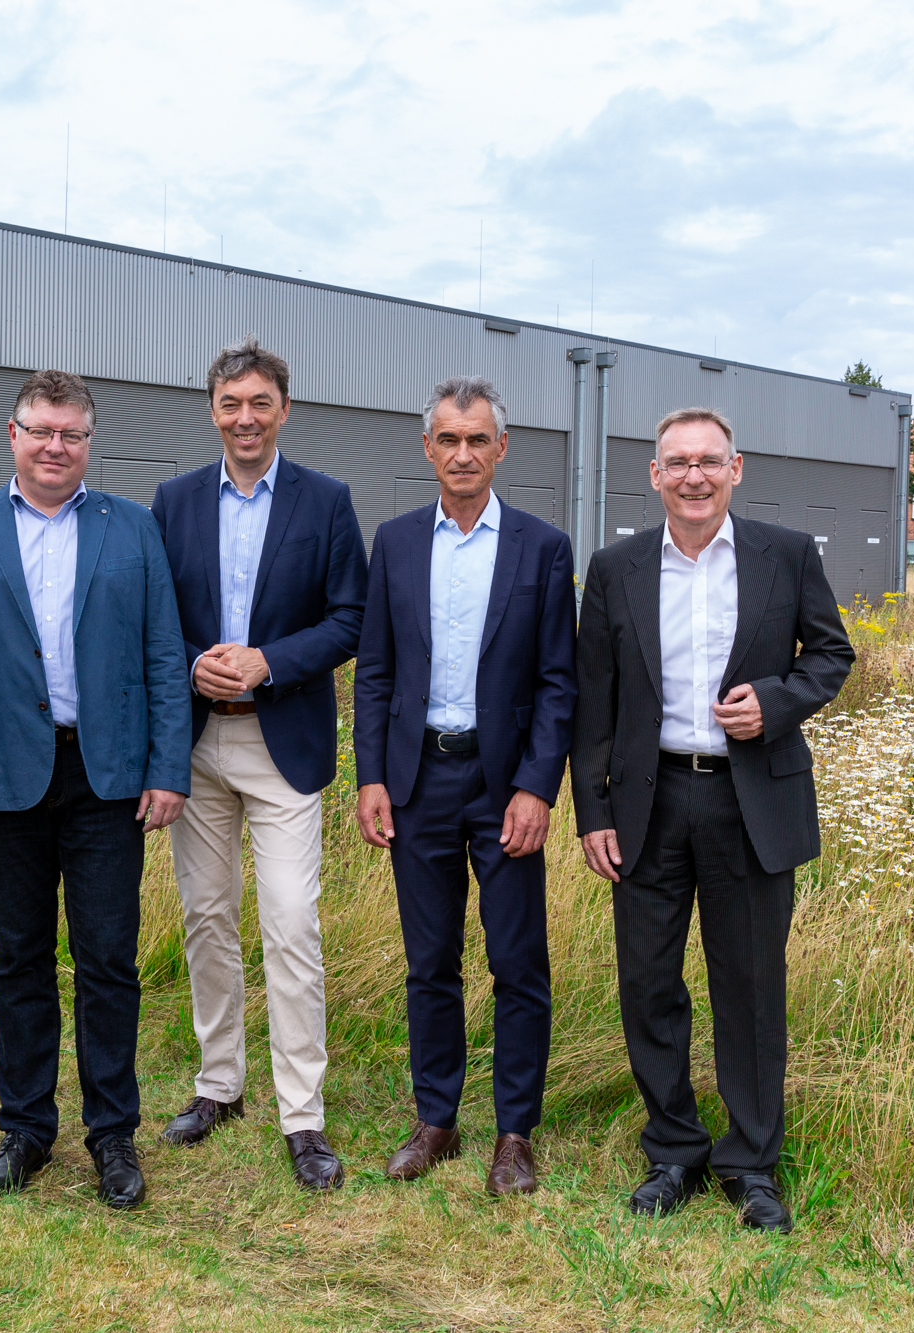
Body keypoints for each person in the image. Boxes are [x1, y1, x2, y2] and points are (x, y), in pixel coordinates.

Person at [573, 407, 853, 1233]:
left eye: (708, 460)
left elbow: (831, 653)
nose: (693, 475)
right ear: (654, 475)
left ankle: (751, 1162)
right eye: (678, 462)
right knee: (647, 982)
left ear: (736, 468)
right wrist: (592, 810)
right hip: (649, 801)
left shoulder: (786, 554)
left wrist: (775, 702)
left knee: (751, 985)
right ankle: (673, 1150)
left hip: (750, 799)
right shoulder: (616, 567)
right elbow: (594, 699)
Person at [0, 369, 191, 1210]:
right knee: (21, 959)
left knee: (108, 960)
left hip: (107, 777)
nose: (54, 446)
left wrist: (168, 767)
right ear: (13, 434)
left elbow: (163, 656)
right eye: (40, 430)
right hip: (4, 778)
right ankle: (26, 1129)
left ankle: (113, 1134)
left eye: (70, 433)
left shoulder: (131, 527)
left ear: (88, 441)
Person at [148, 337, 367, 1190]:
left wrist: (269, 660)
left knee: (290, 921)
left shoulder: (327, 500)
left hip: (284, 741)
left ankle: (302, 1113)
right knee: (206, 916)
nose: (246, 418)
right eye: (231, 403)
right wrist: (194, 661)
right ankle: (219, 1085)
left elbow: (350, 618)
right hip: (198, 741)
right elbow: (151, 615)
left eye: (260, 403)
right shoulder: (173, 500)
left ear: (284, 409)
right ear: (213, 410)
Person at [354, 375, 577, 1196]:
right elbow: (375, 672)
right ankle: (436, 1120)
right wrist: (372, 776)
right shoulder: (396, 542)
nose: (462, 453)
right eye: (448, 439)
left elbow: (558, 682)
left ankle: (515, 1133)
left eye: (477, 439)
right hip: (417, 782)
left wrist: (537, 787)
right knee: (430, 960)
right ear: (428, 448)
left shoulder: (542, 548)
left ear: (501, 447)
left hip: (504, 783)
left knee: (517, 960)